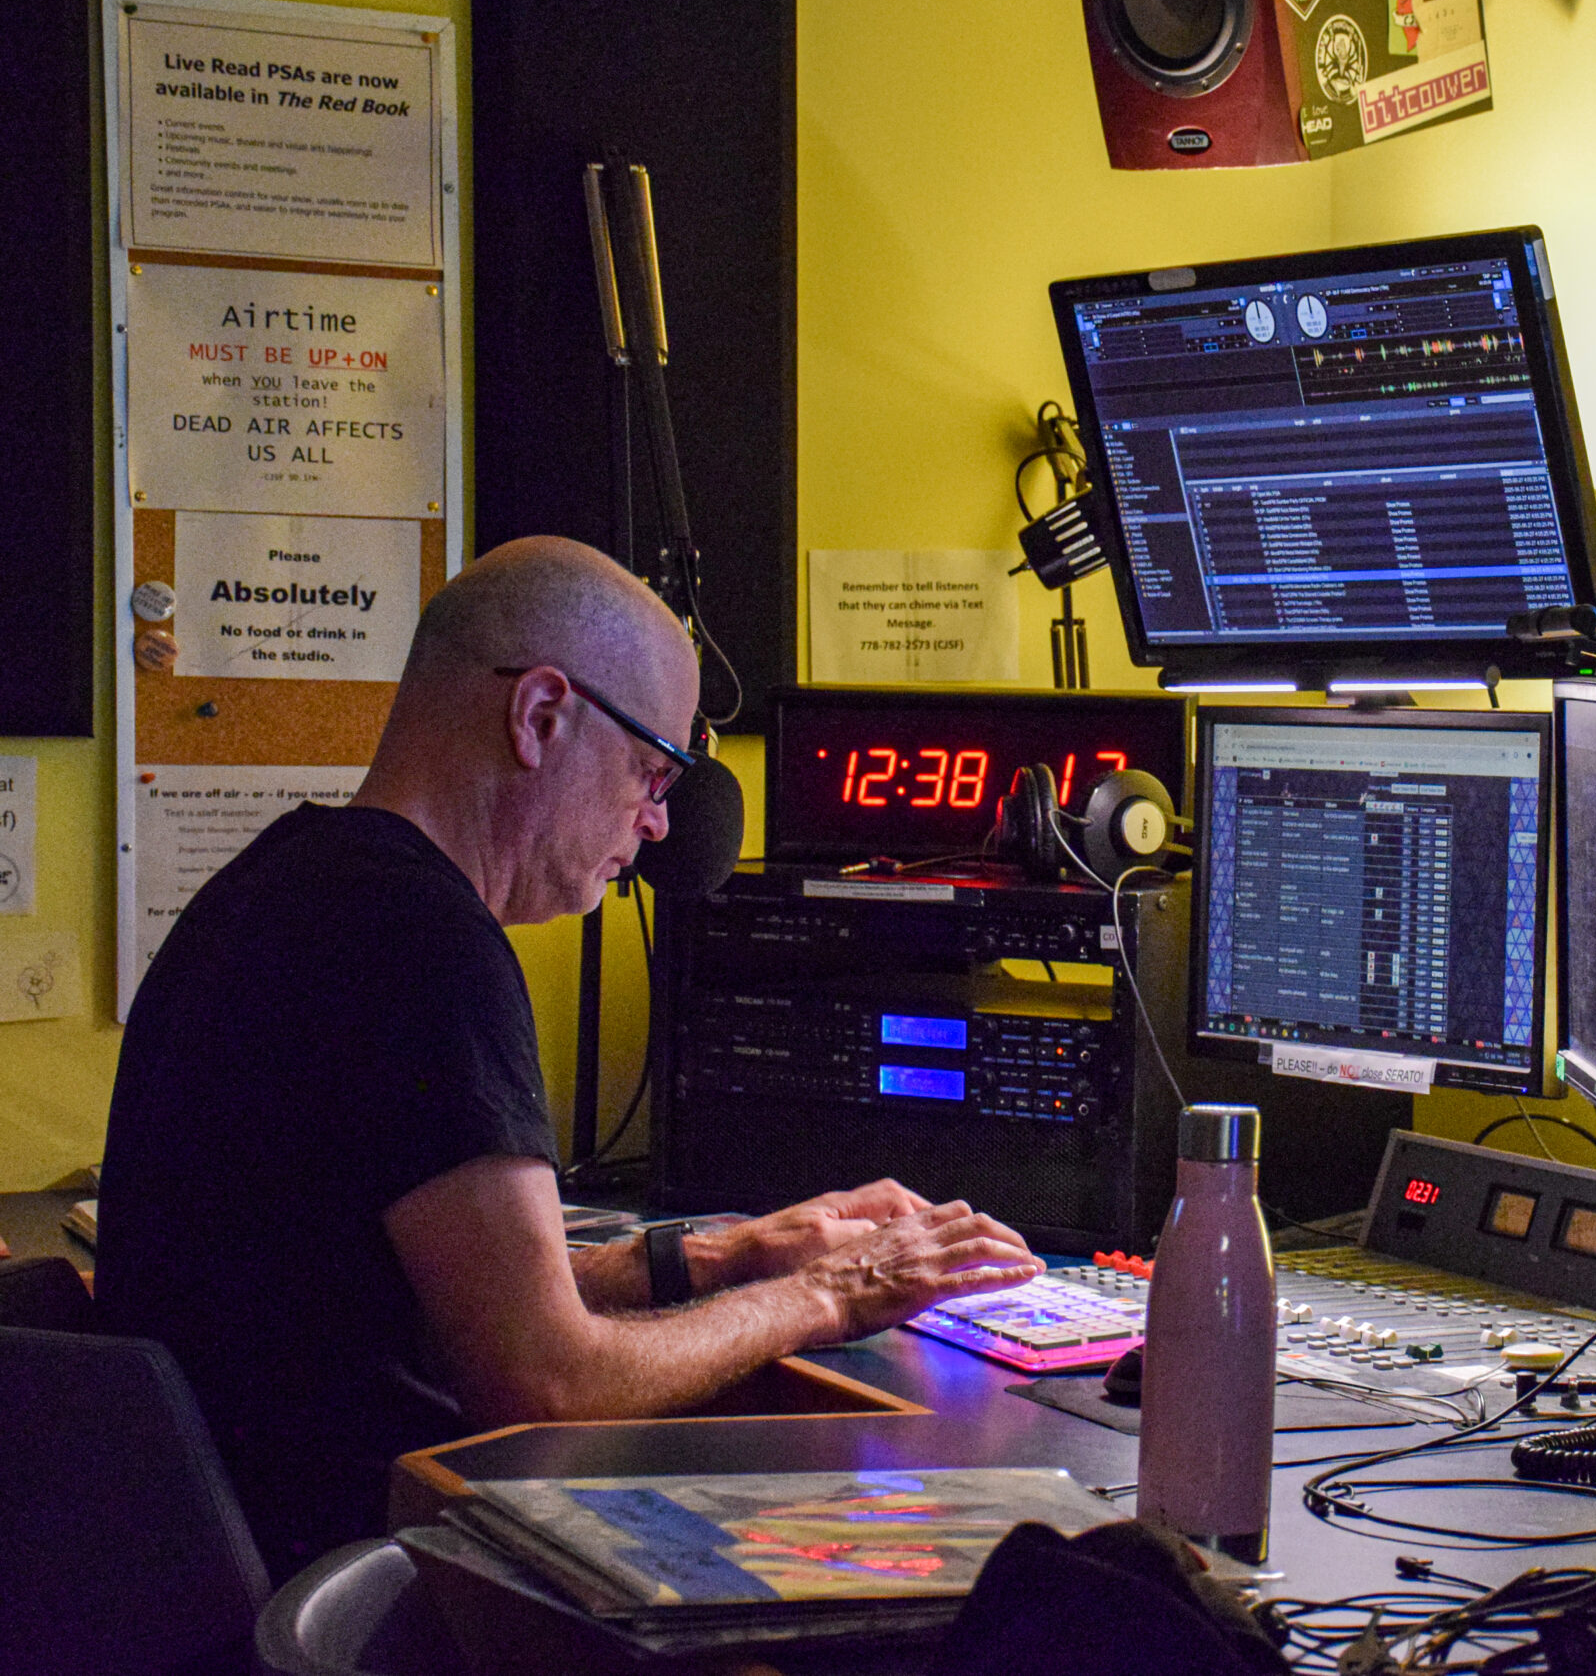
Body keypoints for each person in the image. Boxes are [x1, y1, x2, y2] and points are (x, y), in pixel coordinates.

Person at [95, 537, 1043, 1577]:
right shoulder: (423, 941)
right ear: (540, 717)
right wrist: (830, 1294)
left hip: (238, 1562)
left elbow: (434, 1301)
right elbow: (543, 1384)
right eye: (651, 768)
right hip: (371, 1583)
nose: (656, 820)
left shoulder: (284, 883)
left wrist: (729, 1256)